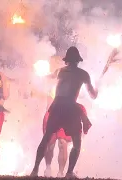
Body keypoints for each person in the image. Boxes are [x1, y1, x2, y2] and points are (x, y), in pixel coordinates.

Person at [30, 46, 98, 178]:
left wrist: (40, 76)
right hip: (70, 108)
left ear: (67, 60)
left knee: (46, 138)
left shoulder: (60, 71)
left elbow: (48, 77)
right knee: (77, 142)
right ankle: (69, 173)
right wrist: (96, 90)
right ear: (78, 60)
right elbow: (93, 95)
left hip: (57, 106)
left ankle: (35, 170)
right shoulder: (83, 74)